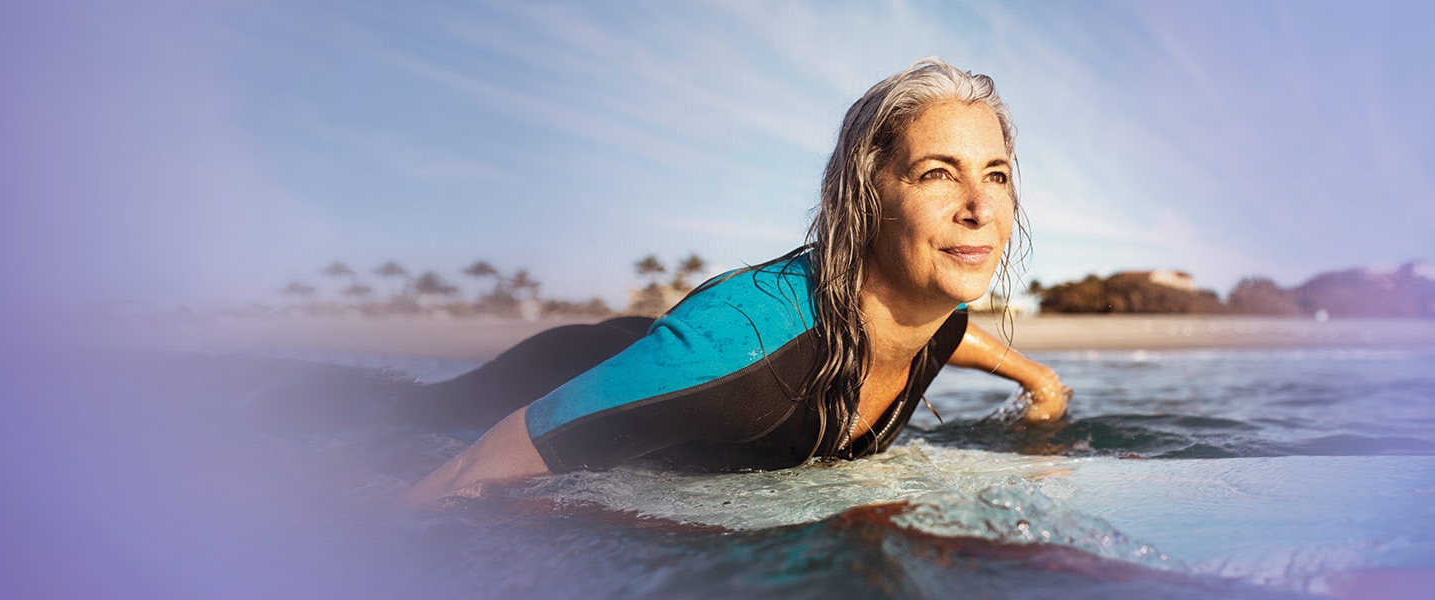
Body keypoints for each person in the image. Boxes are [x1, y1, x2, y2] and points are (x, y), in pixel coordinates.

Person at [403, 58, 1071, 507]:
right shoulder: (747, 360)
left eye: (996, 174)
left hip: (677, 360)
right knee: (389, 420)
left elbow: (948, 331)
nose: (979, 207)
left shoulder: (931, 309)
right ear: (867, 198)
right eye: (937, 173)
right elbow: (471, 471)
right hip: (573, 373)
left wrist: (1033, 377)